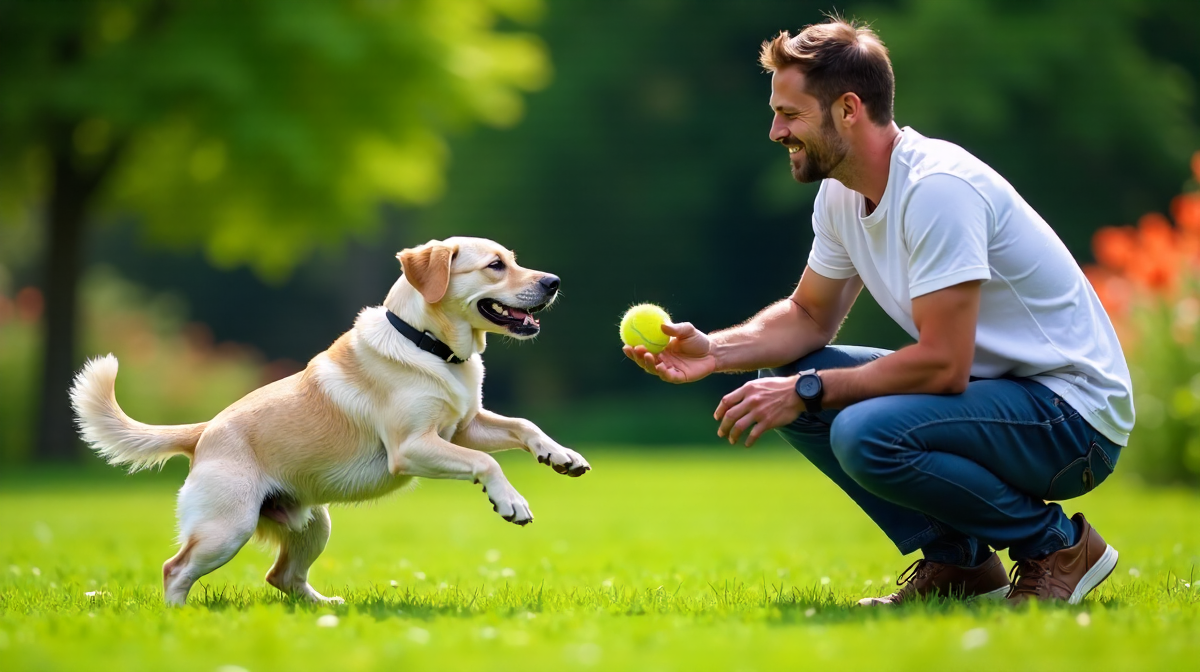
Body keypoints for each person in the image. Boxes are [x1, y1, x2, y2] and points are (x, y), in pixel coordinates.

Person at [623, 17, 1133, 606]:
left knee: (863, 432)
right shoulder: (841, 193)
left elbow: (944, 366)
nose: (774, 131)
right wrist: (715, 351)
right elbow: (810, 317)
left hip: (1073, 420)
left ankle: (1060, 546)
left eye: (789, 114)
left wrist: (811, 390)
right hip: (1002, 401)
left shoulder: (937, 189)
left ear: (847, 109)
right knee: (787, 379)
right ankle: (962, 564)